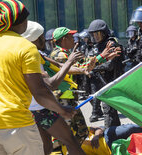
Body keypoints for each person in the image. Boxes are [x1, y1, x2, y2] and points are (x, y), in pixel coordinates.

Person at [0, 1, 75, 154]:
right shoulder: (25, 47)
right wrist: (61, 110)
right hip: (17, 125)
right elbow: (40, 92)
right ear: (20, 22)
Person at [22, 21, 121, 155]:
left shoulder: (41, 55)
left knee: (66, 138)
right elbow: (56, 78)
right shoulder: (58, 54)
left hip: (52, 103)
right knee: (67, 138)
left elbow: (81, 65)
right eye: (70, 36)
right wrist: (96, 59)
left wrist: (102, 57)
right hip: (56, 101)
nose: (45, 39)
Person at [87, 19, 124, 127]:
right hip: (101, 80)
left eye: (98, 33)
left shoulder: (111, 44)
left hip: (111, 81)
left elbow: (109, 65)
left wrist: (94, 67)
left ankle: (110, 133)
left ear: (104, 32)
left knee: (108, 110)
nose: (96, 36)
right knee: (110, 111)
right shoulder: (97, 45)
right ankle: (115, 132)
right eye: (94, 34)